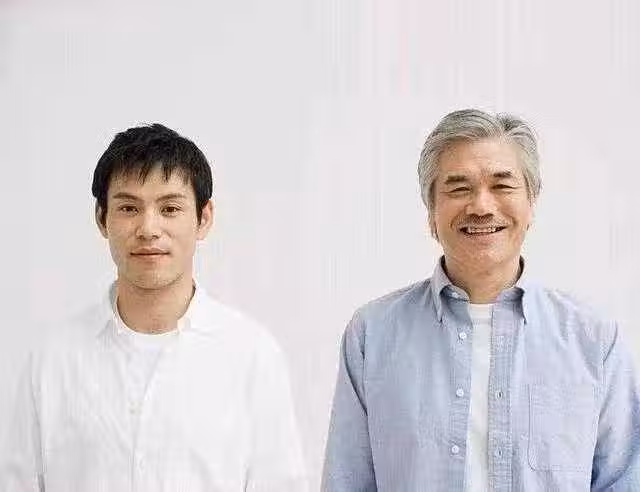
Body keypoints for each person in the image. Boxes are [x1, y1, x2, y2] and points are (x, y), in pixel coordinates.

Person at [321, 109, 640, 491]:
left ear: (531, 203)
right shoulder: (372, 335)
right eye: (459, 189)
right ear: (431, 212)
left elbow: (624, 480)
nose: (481, 206)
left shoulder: (593, 339)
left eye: (502, 186)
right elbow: (347, 482)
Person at [0, 123, 307, 491]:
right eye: (129, 207)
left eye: (170, 208)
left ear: (203, 218)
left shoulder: (252, 356)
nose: (148, 228)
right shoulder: (53, 360)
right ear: (101, 218)